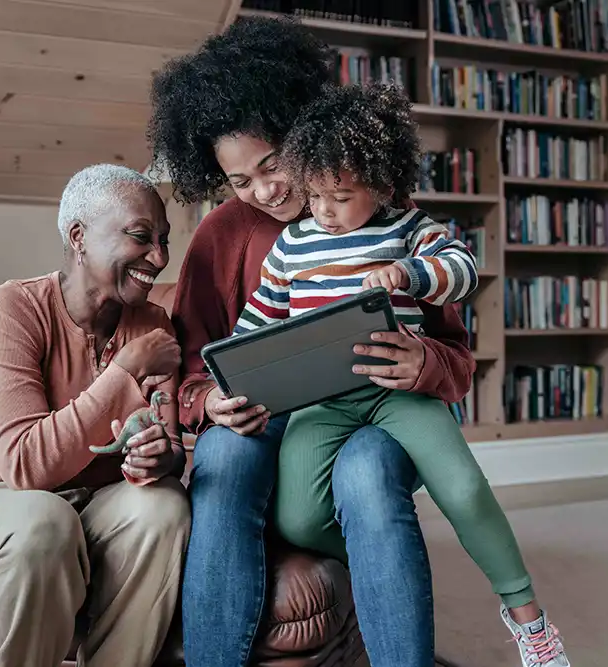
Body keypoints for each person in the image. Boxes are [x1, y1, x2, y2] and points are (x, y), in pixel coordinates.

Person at [148, 16, 474, 667]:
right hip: (267, 419)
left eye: (272, 164)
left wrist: (420, 362)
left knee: (369, 467)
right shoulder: (220, 235)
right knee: (224, 456)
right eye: (240, 181)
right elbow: (190, 367)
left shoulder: (377, 208)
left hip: (372, 413)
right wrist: (209, 403)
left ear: (300, 131)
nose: (264, 190)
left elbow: (455, 358)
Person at [237, 82, 571, 667]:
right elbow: (256, 323)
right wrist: (232, 376)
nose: (322, 210)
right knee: (296, 515)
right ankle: (384, 561)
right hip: (323, 401)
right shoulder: (291, 245)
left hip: (399, 393)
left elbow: (463, 269)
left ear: (382, 185)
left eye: (339, 196)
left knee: (464, 489)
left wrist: (410, 274)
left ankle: (528, 618)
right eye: (313, 195)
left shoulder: (408, 227)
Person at [0, 164, 191, 667]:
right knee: (45, 519)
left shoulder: (153, 323)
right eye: (140, 237)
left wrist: (160, 459)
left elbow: (170, 447)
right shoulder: (10, 308)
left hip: (88, 507)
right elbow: (27, 468)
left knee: (165, 505)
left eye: (163, 240)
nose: (158, 257)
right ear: (78, 237)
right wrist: (125, 373)